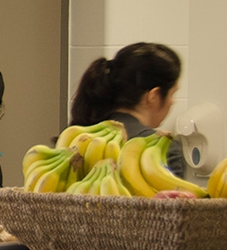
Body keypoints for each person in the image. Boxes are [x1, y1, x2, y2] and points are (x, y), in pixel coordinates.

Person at [70, 42, 185, 175]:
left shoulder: (76, 138)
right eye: (172, 94)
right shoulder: (164, 148)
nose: (172, 102)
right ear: (153, 96)